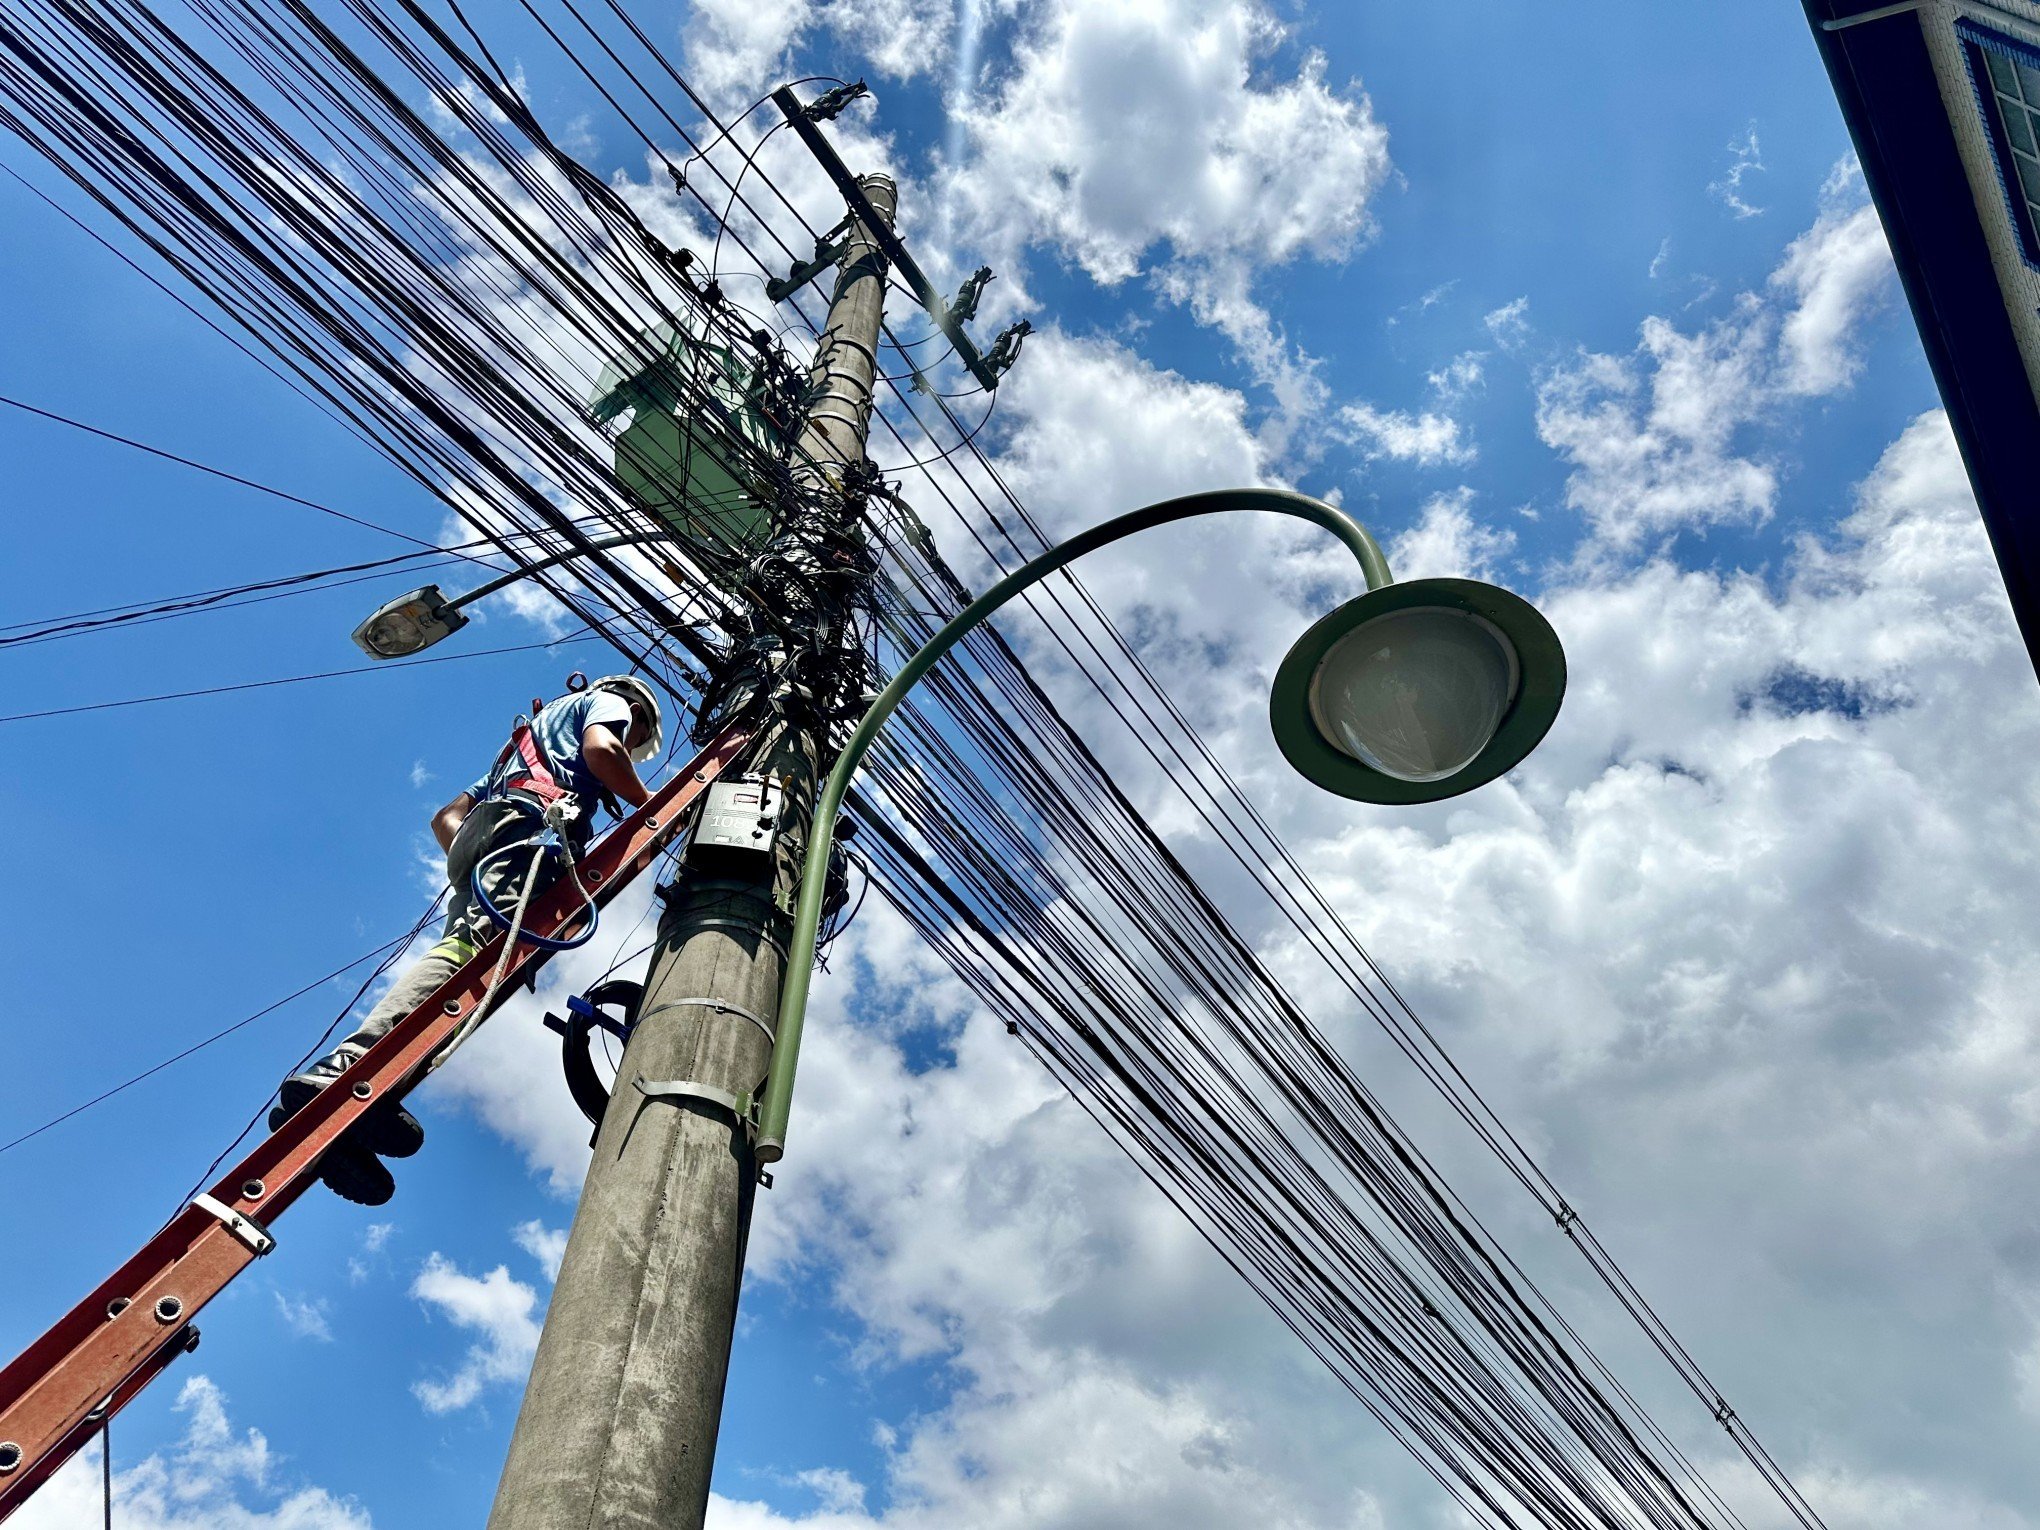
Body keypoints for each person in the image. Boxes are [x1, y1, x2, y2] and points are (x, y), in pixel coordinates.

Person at [273, 675, 664, 1205]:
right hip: (529, 829)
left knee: (473, 963)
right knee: (472, 957)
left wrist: (482, 857)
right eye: (636, 735)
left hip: (489, 832)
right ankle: (344, 1069)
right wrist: (648, 804)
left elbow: (446, 818)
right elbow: (602, 751)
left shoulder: (525, 745)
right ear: (636, 709)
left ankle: (363, 1109)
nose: (631, 741)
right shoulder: (609, 703)